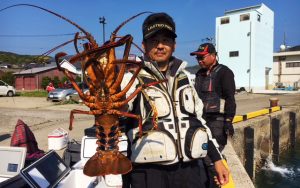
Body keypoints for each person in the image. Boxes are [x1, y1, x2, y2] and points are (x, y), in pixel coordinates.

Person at [123, 13, 229, 188]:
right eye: (153, 41)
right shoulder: (130, 80)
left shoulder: (187, 78)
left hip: (189, 172)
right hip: (149, 175)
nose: (160, 46)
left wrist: (217, 160)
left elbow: (199, 122)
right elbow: (115, 116)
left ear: (174, 45)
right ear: (144, 45)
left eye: (165, 40)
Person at [190, 43, 236, 187]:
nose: (199, 61)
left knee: (212, 157)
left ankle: (216, 183)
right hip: (201, 120)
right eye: (198, 58)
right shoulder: (199, 74)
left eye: (202, 57)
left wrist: (228, 121)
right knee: (200, 154)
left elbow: (230, 98)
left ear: (213, 56)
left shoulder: (225, 72)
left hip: (218, 121)